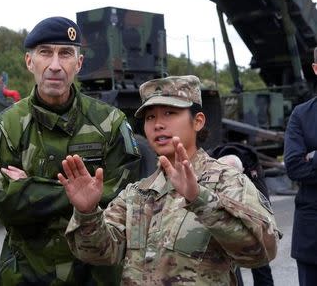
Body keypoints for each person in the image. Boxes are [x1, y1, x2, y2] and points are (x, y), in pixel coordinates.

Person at [59, 75, 281, 285]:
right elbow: (100, 253)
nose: (158, 124)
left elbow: (260, 252)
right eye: (150, 117)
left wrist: (200, 200)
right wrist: (87, 213)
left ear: (198, 121)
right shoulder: (137, 194)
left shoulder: (226, 181)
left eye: (170, 113)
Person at [0, 16, 141, 285]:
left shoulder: (109, 123)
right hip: (28, 274)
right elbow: (6, 203)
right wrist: (82, 199)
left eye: (65, 54)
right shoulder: (6, 125)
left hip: (95, 275)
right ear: (30, 61)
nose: (55, 65)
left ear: (79, 63)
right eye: (45, 53)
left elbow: (123, 200)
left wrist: (29, 186)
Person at [215, 149, 275, 286]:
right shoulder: (214, 173)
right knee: (228, 260)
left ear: (242, 173)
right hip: (224, 219)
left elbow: (265, 211)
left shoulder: (253, 179)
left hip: (252, 218)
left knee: (260, 259)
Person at [284, 47, 317, 286]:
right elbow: (295, 167)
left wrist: (314, 157)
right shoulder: (301, 115)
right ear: (316, 69)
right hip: (312, 238)